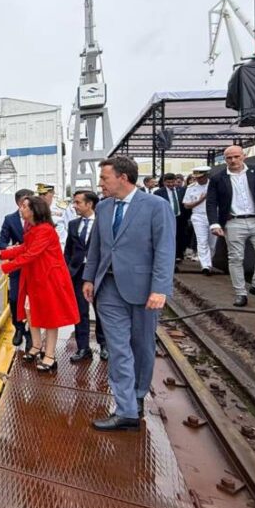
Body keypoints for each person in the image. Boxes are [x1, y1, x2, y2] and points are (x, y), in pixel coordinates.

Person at [84, 156, 175, 431]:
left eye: (104, 178)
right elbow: (97, 247)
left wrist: (160, 288)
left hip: (144, 289)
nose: (100, 184)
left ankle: (137, 397)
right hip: (108, 289)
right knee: (118, 348)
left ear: (123, 178)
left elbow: (165, 249)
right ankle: (125, 410)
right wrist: (89, 277)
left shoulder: (156, 206)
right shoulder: (103, 207)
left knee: (143, 347)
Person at [0, 196, 79, 373]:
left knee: (50, 316)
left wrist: (6, 266)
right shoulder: (34, 229)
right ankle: (37, 345)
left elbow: (30, 254)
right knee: (30, 312)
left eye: (24, 206)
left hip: (48, 279)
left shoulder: (45, 230)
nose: (21, 209)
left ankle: (49, 356)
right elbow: (25, 248)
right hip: (36, 278)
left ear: (34, 210)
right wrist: (3, 253)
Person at [206, 145, 255, 306]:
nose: (233, 160)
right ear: (225, 159)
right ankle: (240, 293)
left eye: (236, 157)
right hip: (233, 222)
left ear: (243, 156)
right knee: (236, 258)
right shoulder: (218, 178)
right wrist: (214, 223)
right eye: (229, 158)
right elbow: (211, 202)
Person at [64, 190, 107, 362]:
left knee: (101, 310)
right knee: (80, 311)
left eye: (78, 203)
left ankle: (104, 345)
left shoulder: (103, 223)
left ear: (89, 204)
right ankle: (83, 347)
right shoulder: (74, 224)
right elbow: (69, 249)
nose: (74, 206)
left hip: (98, 273)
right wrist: (68, 269)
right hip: (77, 273)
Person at [0, 188, 35, 349]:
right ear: (19, 203)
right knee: (14, 298)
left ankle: (32, 335)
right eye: (27, 202)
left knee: (33, 301)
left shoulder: (38, 219)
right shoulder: (10, 219)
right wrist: (12, 248)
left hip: (34, 266)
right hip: (17, 266)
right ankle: (18, 328)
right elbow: (1, 242)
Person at [183, 166, 216, 276]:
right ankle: (205, 265)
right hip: (198, 216)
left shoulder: (214, 185)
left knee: (212, 242)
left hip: (213, 216)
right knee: (202, 241)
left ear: (206, 175)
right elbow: (187, 205)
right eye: (196, 177)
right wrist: (201, 200)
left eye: (201, 177)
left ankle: (209, 263)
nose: (198, 179)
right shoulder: (191, 188)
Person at [155, 173, 187, 264]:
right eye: (168, 182)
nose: (170, 184)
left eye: (172, 182)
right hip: (166, 218)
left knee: (180, 236)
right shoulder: (158, 193)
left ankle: (178, 255)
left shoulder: (181, 190)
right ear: (164, 182)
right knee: (168, 237)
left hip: (180, 218)